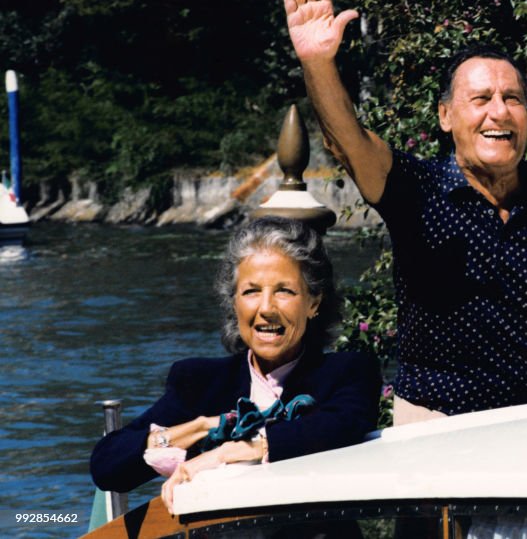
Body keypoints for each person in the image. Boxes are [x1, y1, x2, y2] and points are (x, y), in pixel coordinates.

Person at [281, 0, 527, 423]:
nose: (499, 113)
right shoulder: (415, 189)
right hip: (438, 423)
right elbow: (349, 140)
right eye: (481, 99)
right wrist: (318, 64)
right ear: (446, 116)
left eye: (513, 99)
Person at [90, 216, 381, 511]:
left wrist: (231, 451)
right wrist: (200, 428)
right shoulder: (200, 382)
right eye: (251, 291)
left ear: (314, 303)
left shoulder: (346, 373)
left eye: (285, 291)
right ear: (234, 303)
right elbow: (107, 466)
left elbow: (343, 424)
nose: (266, 308)